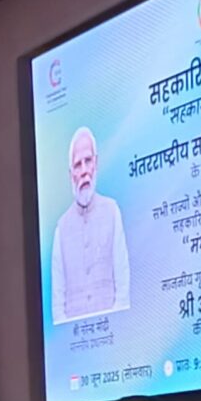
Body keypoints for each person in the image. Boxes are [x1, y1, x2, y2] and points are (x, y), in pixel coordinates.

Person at [51, 125, 131, 322]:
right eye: (78, 165)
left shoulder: (112, 211)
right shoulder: (61, 228)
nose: (84, 171)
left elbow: (123, 286)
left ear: (96, 163)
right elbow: (58, 305)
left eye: (88, 161)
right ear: (71, 174)